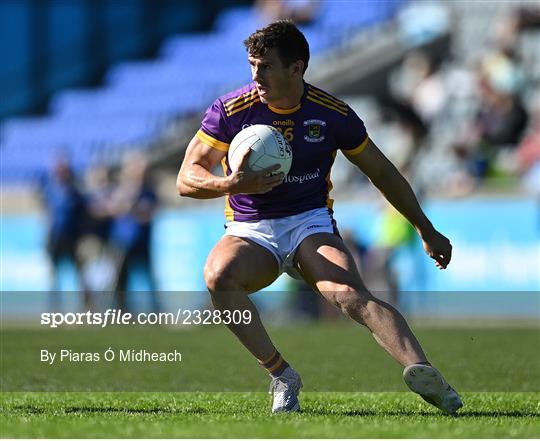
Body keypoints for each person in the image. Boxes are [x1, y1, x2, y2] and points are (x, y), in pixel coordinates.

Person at [177, 20, 462, 414]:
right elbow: (186, 178)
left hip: (308, 222)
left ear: (297, 68)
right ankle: (282, 375)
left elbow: (382, 172)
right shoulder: (230, 110)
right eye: (252, 65)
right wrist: (234, 183)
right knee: (218, 276)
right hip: (251, 228)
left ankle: (426, 374)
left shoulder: (332, 114)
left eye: (266, 66)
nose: (256, 75)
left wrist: (425, 229)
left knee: (347, 294)